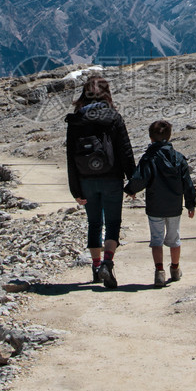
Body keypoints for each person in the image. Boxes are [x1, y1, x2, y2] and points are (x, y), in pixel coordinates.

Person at [65, 75, 136, 288]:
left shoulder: (76, 120)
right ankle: (107, 263)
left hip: (86, 180)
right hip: (112, 178)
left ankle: (96, 267)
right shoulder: (114, 117)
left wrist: (74, 189)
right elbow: (125, 151)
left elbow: (70, 156)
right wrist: (133, 182)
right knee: (113, 223)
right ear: (106, 93)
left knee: (94, 223)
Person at [125, 119, 196, 288]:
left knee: (156, 240)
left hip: (155, 206)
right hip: (174, 205)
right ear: (169, 136)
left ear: (151, 138)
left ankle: (159, 272)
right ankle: (175, 269)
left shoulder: (149, 157)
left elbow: (141, 177)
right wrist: (191, 204)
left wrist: (130, 190)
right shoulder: (178, 158)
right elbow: (187, 182)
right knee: (174, 238)